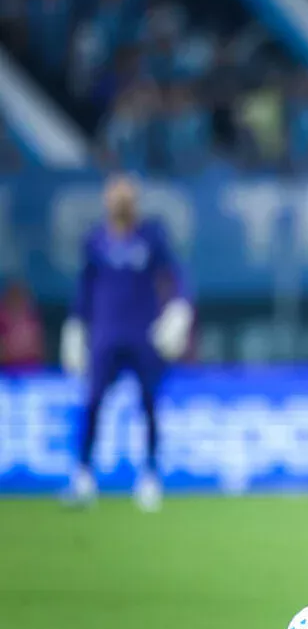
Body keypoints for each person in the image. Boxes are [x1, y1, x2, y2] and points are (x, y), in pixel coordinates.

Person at [60, 175, 193, 511]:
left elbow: (174, 277)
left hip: (141, 335)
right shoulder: (95, 241)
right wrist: (76, 327)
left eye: (126, 196)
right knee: (93, 404)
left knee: (148, 404)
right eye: (114, 196)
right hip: (105, 335)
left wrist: (177, 309)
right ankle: (83, 475)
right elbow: (85, 289)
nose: (120, 202)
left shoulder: (150, 237)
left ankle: (149, 475)